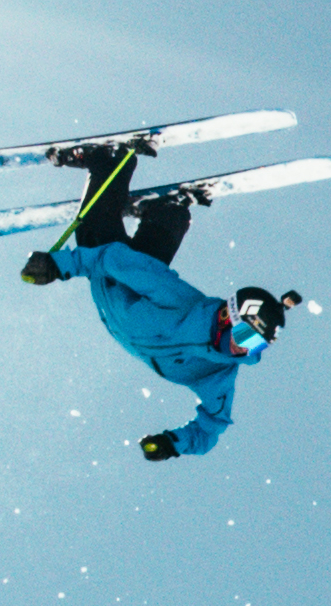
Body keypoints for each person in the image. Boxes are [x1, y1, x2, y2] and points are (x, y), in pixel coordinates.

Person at [22, 162, 302, 460]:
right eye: (244, 334)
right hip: (113, 278)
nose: (242, 347)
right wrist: (59, 265)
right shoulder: (179, 302)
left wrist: (173, 444)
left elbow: (211, 429)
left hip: (131, 296)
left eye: (254, 344)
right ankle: (112, 162)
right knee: (95, 239)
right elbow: (110, 258)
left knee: (144, 261)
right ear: (227, 316)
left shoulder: (218, 375)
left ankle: (170, 212)